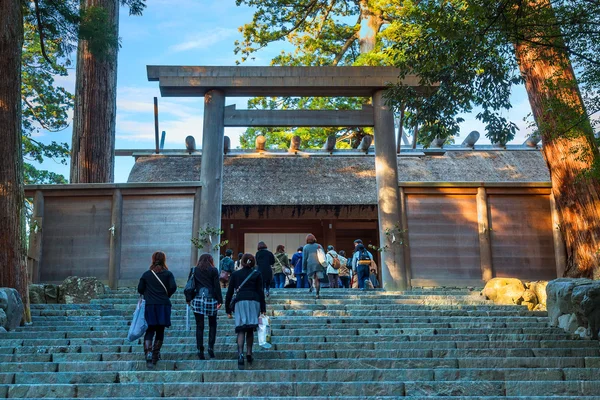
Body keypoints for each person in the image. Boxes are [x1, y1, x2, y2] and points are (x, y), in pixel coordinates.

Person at [225, 254, 266, 370]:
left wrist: (227, 309)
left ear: (242, 262)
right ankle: (249, 352)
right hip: (254, 302)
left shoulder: (236, 274)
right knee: (250, 329)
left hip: (240, 302)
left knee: (241, 328)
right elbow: (260, 292)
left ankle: (240, 354)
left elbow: (229, 292)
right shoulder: (257, 274)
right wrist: (263, 309)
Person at [137, 251, 177, 368]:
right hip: (163, 305)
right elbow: (173, 287)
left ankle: (148, 353)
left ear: (153, 259)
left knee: (149, 330)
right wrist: (166, 295)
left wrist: (148, 294)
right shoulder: (168, 274)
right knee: (160, 330)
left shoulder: (146, 275)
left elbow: (140, 289)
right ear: (164, 260)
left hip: (150, 305)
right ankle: (155, 354)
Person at [189, 253, 223, 360]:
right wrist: (220, 300)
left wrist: (188, 298)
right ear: (210, 260)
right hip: (211, 299)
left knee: (200, 325)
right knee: (212, 324)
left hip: (198, 299)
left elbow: (189, 285)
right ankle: (210, 347)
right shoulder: (213, 270)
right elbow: (217, 286)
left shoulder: (195, 270)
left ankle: (200, 349)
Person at [302, 234, 326, 299]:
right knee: (317, 279)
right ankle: (317, 293)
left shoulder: (305, 247)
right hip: (318, 264)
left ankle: (311, 286)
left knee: (310, 276)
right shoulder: (319, 246)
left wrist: (303, 268)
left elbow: (304, 258)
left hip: (310, 264)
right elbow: (323, 255)